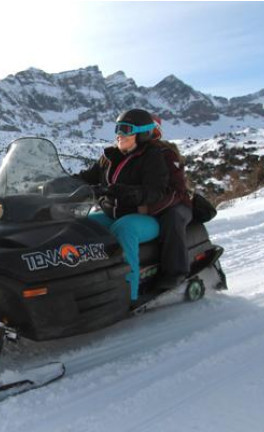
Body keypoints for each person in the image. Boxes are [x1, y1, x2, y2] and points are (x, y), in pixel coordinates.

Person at [78, 108, 169, 305]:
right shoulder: (110, 157)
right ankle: (85, 285)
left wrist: (126, 192)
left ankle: (129, 295)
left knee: (125, 229)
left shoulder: (152, 156)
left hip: (145, 217)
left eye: (126, 129)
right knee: (80, 227)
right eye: (117, 129)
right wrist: (58, 183)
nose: (120, 134)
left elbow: (156, 191)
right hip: (113, 213)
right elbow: (86, 177)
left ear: (142, 133)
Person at [145, 115, 193, 290]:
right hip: (150, 205)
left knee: (171, 218)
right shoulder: (131, 154)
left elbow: (177, 191)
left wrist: (150, 208)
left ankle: (176, 272)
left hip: (177, 205)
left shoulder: (166, 154)